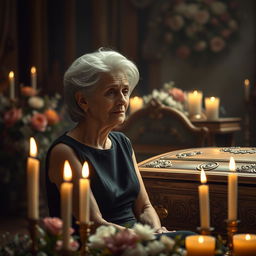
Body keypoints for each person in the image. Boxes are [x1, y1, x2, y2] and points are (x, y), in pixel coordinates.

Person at [45, 48, 192, 238]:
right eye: (111, 92)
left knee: (198, 242)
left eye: (125, 91)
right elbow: (94, 224)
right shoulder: (65, 152)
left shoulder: (123, 143)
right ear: (83, 101)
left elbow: (145, 207)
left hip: (138, 239)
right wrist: (146, 238)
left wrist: (156, 232)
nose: (123, 100)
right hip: (99, 246)